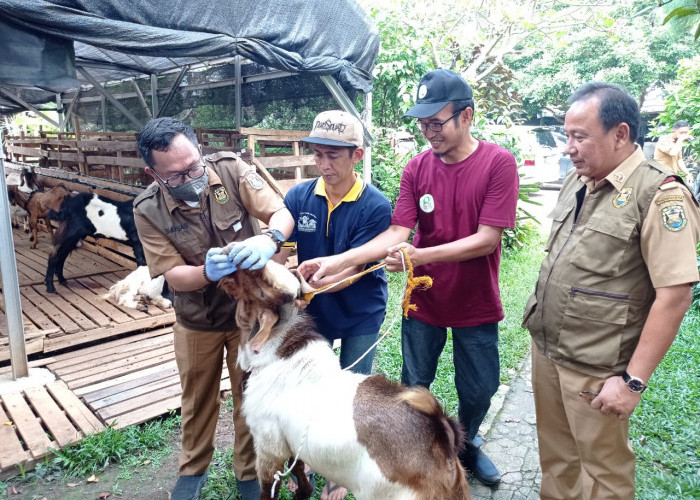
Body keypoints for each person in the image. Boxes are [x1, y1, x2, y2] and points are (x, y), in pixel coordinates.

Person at [298, 69, 520, 487]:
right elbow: (397, 233)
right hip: (423, 300)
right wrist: (339, 260)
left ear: (466, 117)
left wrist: (420, 254)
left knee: (479, 389)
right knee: (416, 383)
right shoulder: (416, 168)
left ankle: (466, 446)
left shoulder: (497, 163)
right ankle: (419, 451)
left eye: (436, 122)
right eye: (422, 123)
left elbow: (487, 240)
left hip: (475, 301)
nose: (428, 131)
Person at [522, 82, 700, 499]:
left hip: (598, 366)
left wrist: (633, 381)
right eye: (567, 136)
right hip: (549, 351)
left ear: (620, 134)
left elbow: (675, 295)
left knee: (603, 471)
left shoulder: (660, 193)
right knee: (557, 458)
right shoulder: (578, 182)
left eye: (580, 136)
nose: (569, 147)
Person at [133, 117, 292, 500]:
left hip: (253, 318)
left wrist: (270, 240)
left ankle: (249, 473)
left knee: (250, 397)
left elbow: (281, 213)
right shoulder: (147, 209)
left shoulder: (230, 169)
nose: (191, 177)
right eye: (176, 175)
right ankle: (192, 470)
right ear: (152, 173)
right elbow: (173, 276)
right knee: (198, 398)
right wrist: (205, 270)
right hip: (197, 320)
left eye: (194, 166)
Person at [280, 110, 392, 500]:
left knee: (351, 392)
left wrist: (299, 285)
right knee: (309, 389)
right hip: (314, 315)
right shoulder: (299, 196)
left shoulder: (375, 205)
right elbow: (284, 249)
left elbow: (356, 268)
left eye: (335, 156)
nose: (324, 165)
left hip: (361, 311)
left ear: (357, 155)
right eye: (318, 155)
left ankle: (340, 473)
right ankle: (307, 458)